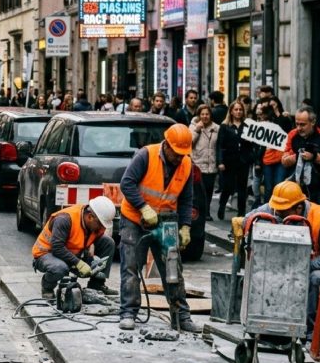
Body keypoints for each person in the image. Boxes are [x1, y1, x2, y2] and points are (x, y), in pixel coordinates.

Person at [118, 123, 198, 332]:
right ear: (167, 145)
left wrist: (186, 226)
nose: (179, 158)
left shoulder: (186, 164)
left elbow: (186, 198)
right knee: (131, 266)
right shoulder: (146, 155)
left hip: (166, 220)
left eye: (183, 154)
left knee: (173, 268)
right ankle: (128, 312)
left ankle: (181, 316)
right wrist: (143, 207)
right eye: (176, 154)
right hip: (135, 219)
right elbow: (127, 183)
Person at [238, 182, 320, 337]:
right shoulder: (275, 208)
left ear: (298, 208)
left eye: (282, 212)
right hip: (290, 266)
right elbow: (247, 220)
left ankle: (310, 331)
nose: (277, 213)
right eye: (276, 209)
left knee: (314, 278)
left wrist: (302, 266)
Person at [32, 196, 118, 299]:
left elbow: (92, 238)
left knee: (108, 243)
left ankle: (96, 286)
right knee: (59, 268)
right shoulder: (64, 219)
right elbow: (57, 248)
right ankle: (47, 288)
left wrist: (91, 248)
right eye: (100, 224)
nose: (102, 228)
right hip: (47, 254)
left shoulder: (93, 223)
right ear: (90, 217)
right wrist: (79, 263)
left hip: (72, 252)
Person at [282, 106, 320, 207]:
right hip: (297, 186)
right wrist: (297, 156)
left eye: (302, 124)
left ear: (313, 122)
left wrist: (314, 157)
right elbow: (284, 160)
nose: (299, 128)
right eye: (297, 124)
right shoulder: (292, 135)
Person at [217, 100, 253, 220]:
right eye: (236, 109)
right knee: (228, 186)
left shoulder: (247, 126)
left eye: (240, 109)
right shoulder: (225, 126)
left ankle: (241, 212)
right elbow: (220, 145)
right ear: (231, 111)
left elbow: (251, 145)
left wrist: (250, 156)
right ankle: (222, 205)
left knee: (242, 187)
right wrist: (220, 162)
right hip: (229, 161)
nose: (238, 112)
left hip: (243, 161)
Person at [189, 104, 220, 219]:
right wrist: (197, 130)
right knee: (199, 191)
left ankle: (207, 212)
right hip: (198, 163)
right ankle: (200, 212)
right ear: (199, 115)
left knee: (209, 190)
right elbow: (189, 143)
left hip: (211, 164)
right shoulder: (193, 126)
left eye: (207, 114)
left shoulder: (217, 128)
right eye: (202, 114)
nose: (205, 116)